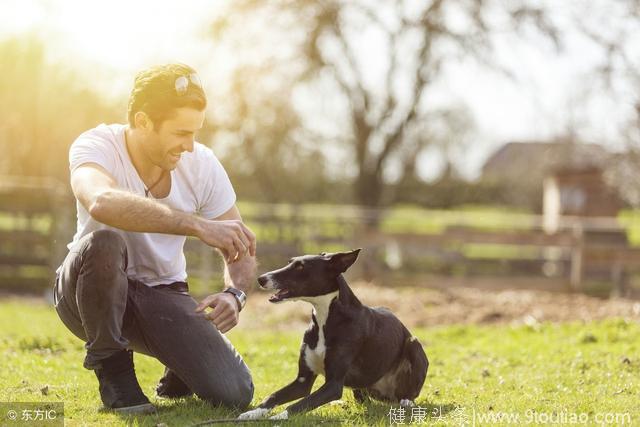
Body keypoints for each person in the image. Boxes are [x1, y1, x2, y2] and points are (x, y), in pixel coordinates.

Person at [52, 63, 257, 414]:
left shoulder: (203, 164)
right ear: (143, 121)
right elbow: (101, 201)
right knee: (104, 243)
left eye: (195, 133)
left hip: (161, 295)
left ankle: (177, 359)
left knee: (235, 391)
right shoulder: (96, 145)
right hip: (86, 293)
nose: (190, 146)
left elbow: (241, 245)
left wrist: (234, 293)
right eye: (181, 133)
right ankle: (115, 377)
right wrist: (196, 226)